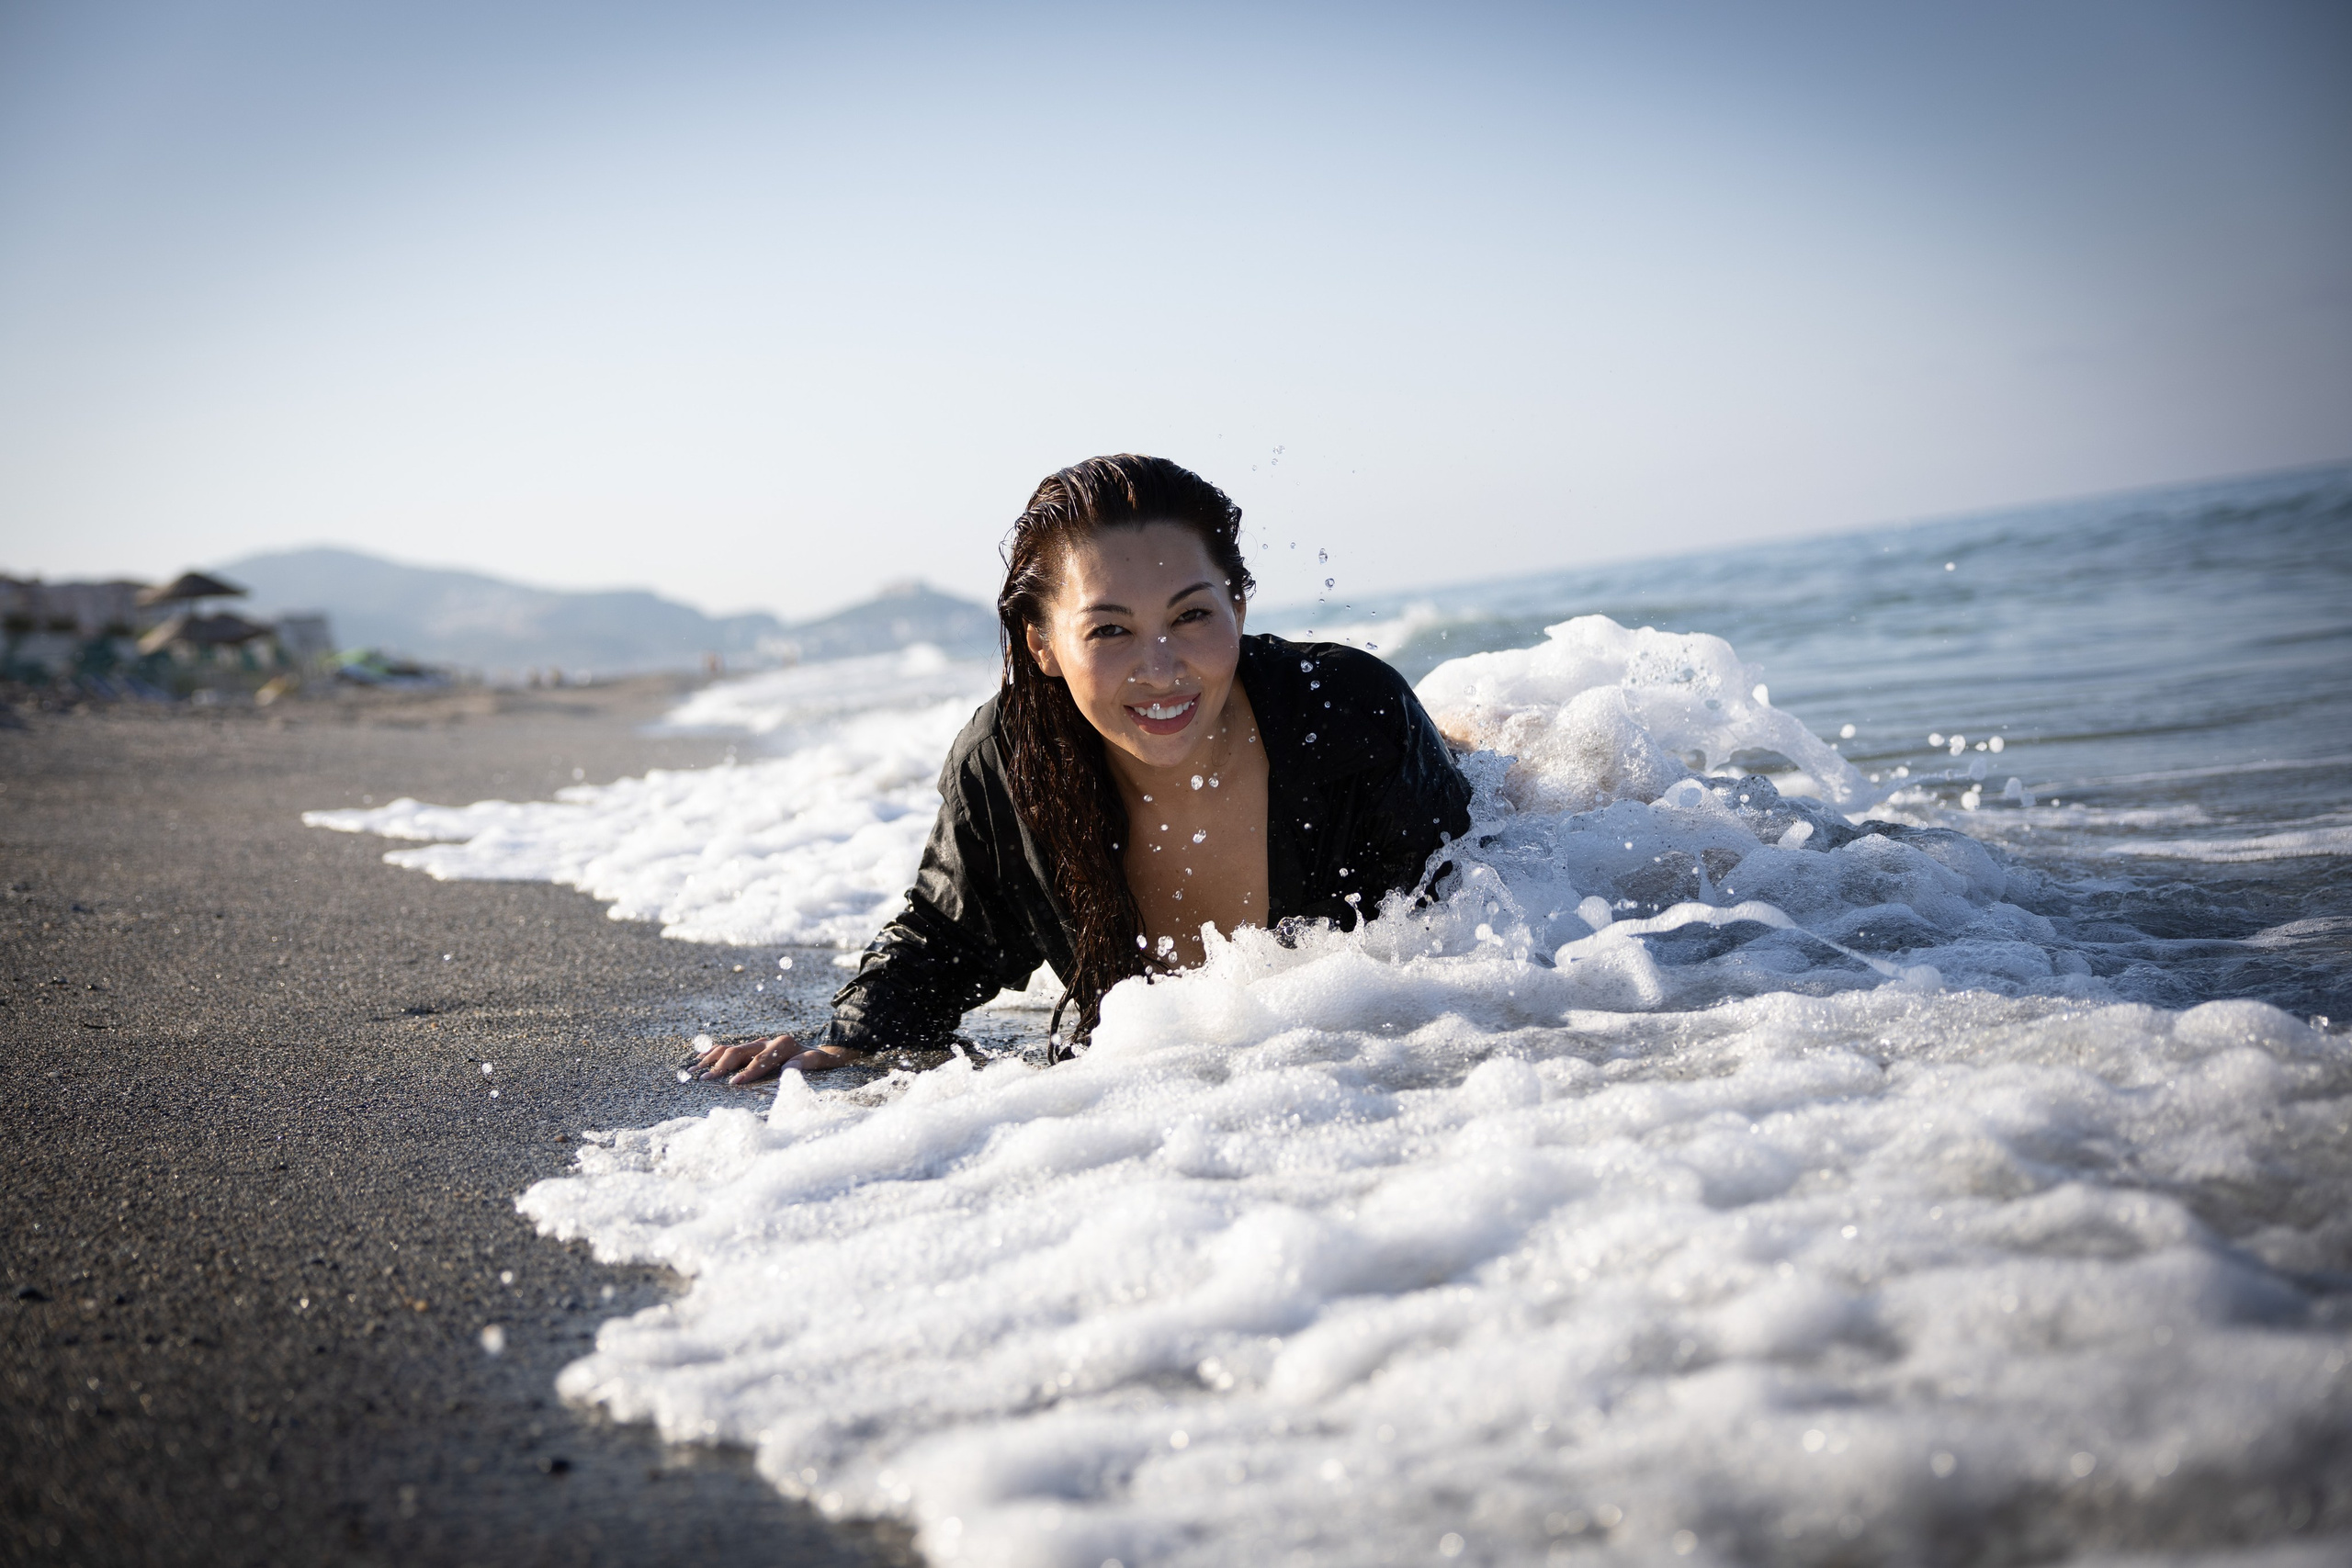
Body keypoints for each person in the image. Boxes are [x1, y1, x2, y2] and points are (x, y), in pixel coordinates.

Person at [692, 454, 1472, 1082]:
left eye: (1192, 614)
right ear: (1042, 644)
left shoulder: (1347, 719)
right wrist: (850, 1038)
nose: (1161, 668)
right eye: (1109, 631)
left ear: (1238, 605)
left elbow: (1476, 931)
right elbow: (950, 930)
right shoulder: (1012, 762)